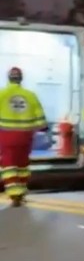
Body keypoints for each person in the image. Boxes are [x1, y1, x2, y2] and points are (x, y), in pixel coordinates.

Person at [0, 67, 47, 207]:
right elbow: (40, 116)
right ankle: (22, 190)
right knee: (23, 164)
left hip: (6, 136)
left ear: (9, 78)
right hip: (26, 136)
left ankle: (15, 195)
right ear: (21, 79)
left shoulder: (2, 94)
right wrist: (42, 127)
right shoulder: (30, 95)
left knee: (9, 165)